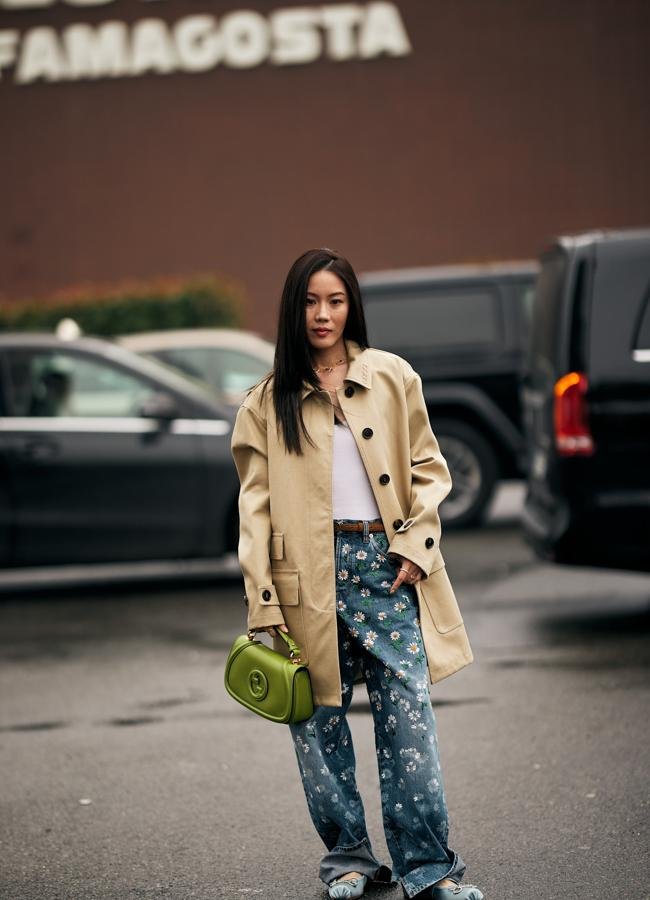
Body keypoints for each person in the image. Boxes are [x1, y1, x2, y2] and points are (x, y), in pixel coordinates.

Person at [231, 248, 483, 900]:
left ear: (351, 306)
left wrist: (416, 547)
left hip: (386, 568)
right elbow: (253, 508)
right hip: (302, 581)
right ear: (295, 308)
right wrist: (264, 600)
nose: (323, 314)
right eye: (311, 301)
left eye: (335, 300)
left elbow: (429, 469)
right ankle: (348, 859)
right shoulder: (267, 400)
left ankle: (428, 869)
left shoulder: (393, 377)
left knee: (410, 725)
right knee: (317, 729)